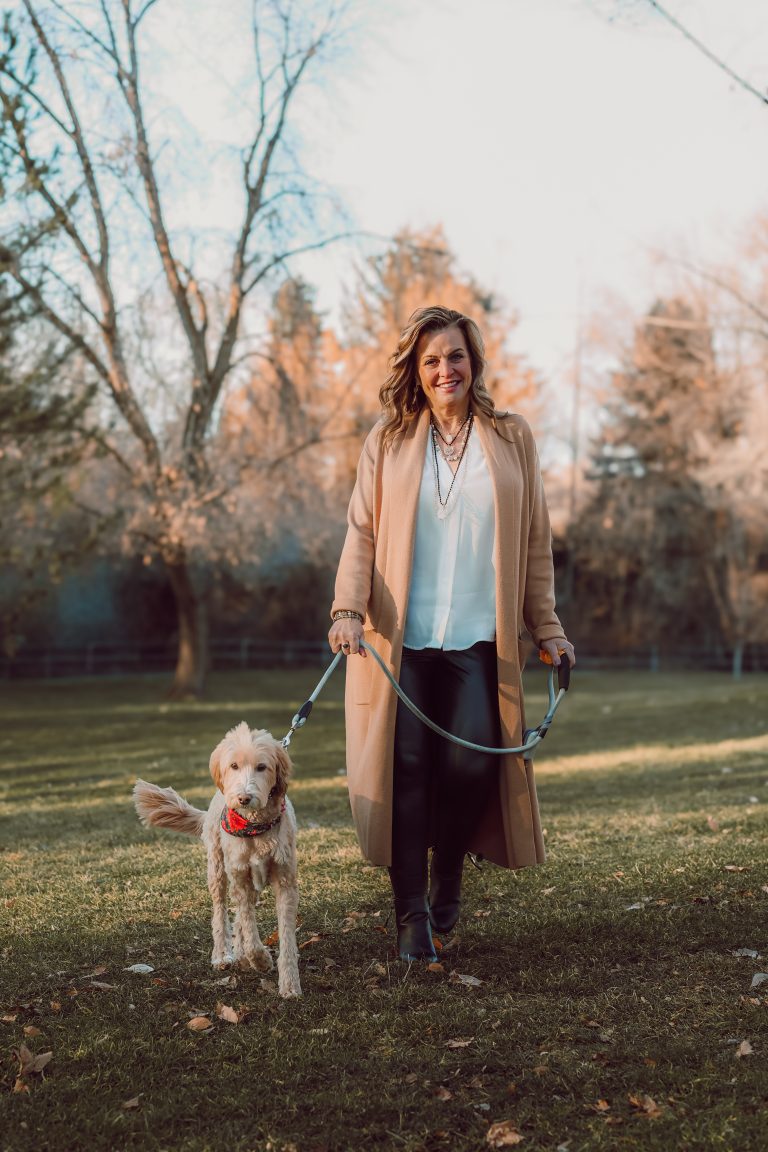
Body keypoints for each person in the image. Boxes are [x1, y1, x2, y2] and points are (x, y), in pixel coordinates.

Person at [328, 305, 575, 962]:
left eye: (456, 356)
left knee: (470, 766)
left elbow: (534, 542)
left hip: (476, 640)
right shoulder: (388, 440)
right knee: (406, 769)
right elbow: (362, 532)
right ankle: (411, 919)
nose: (446, 369)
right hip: (399, 639)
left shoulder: (511, 437)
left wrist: (546, 628)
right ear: (416, 367)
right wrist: (347, 608)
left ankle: (448, 885)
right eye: (432, 359)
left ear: (474, 362)